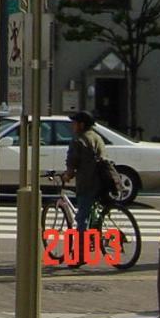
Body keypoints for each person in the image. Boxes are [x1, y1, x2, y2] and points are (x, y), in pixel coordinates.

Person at [61, 110, 105, 266]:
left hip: (87, 183)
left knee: (81, 220)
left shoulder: (79, 140)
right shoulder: (96, 137)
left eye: (74, 122)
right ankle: (95, 235)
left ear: (81, 125)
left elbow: (72, 162)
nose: (72, 125)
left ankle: (80, 256)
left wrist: (67, 175)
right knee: (92, 215)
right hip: (101, 182)